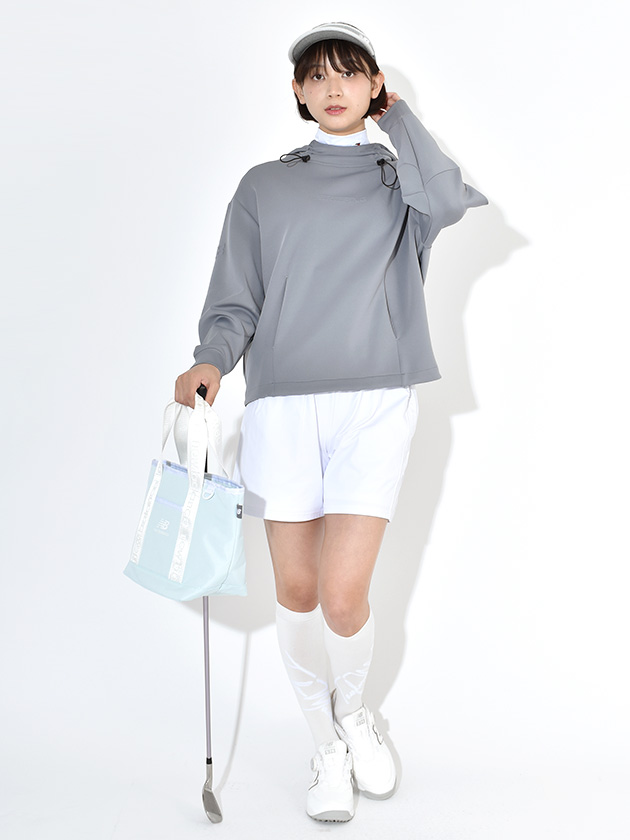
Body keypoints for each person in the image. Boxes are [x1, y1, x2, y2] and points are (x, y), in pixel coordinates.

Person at [175, 21, 488, 823]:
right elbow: (236, 298)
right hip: (282, 405)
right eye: (318, 75)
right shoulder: (263, 187)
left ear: (374, 85)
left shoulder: (399, 181)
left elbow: (449, 197)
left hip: (376, 402)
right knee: (299, 590)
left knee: (345, 599)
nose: (334, 86)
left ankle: (356, 714)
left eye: (351, 73)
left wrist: (398, 118)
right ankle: (326, 745)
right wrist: (212, 359)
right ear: (298, 91)